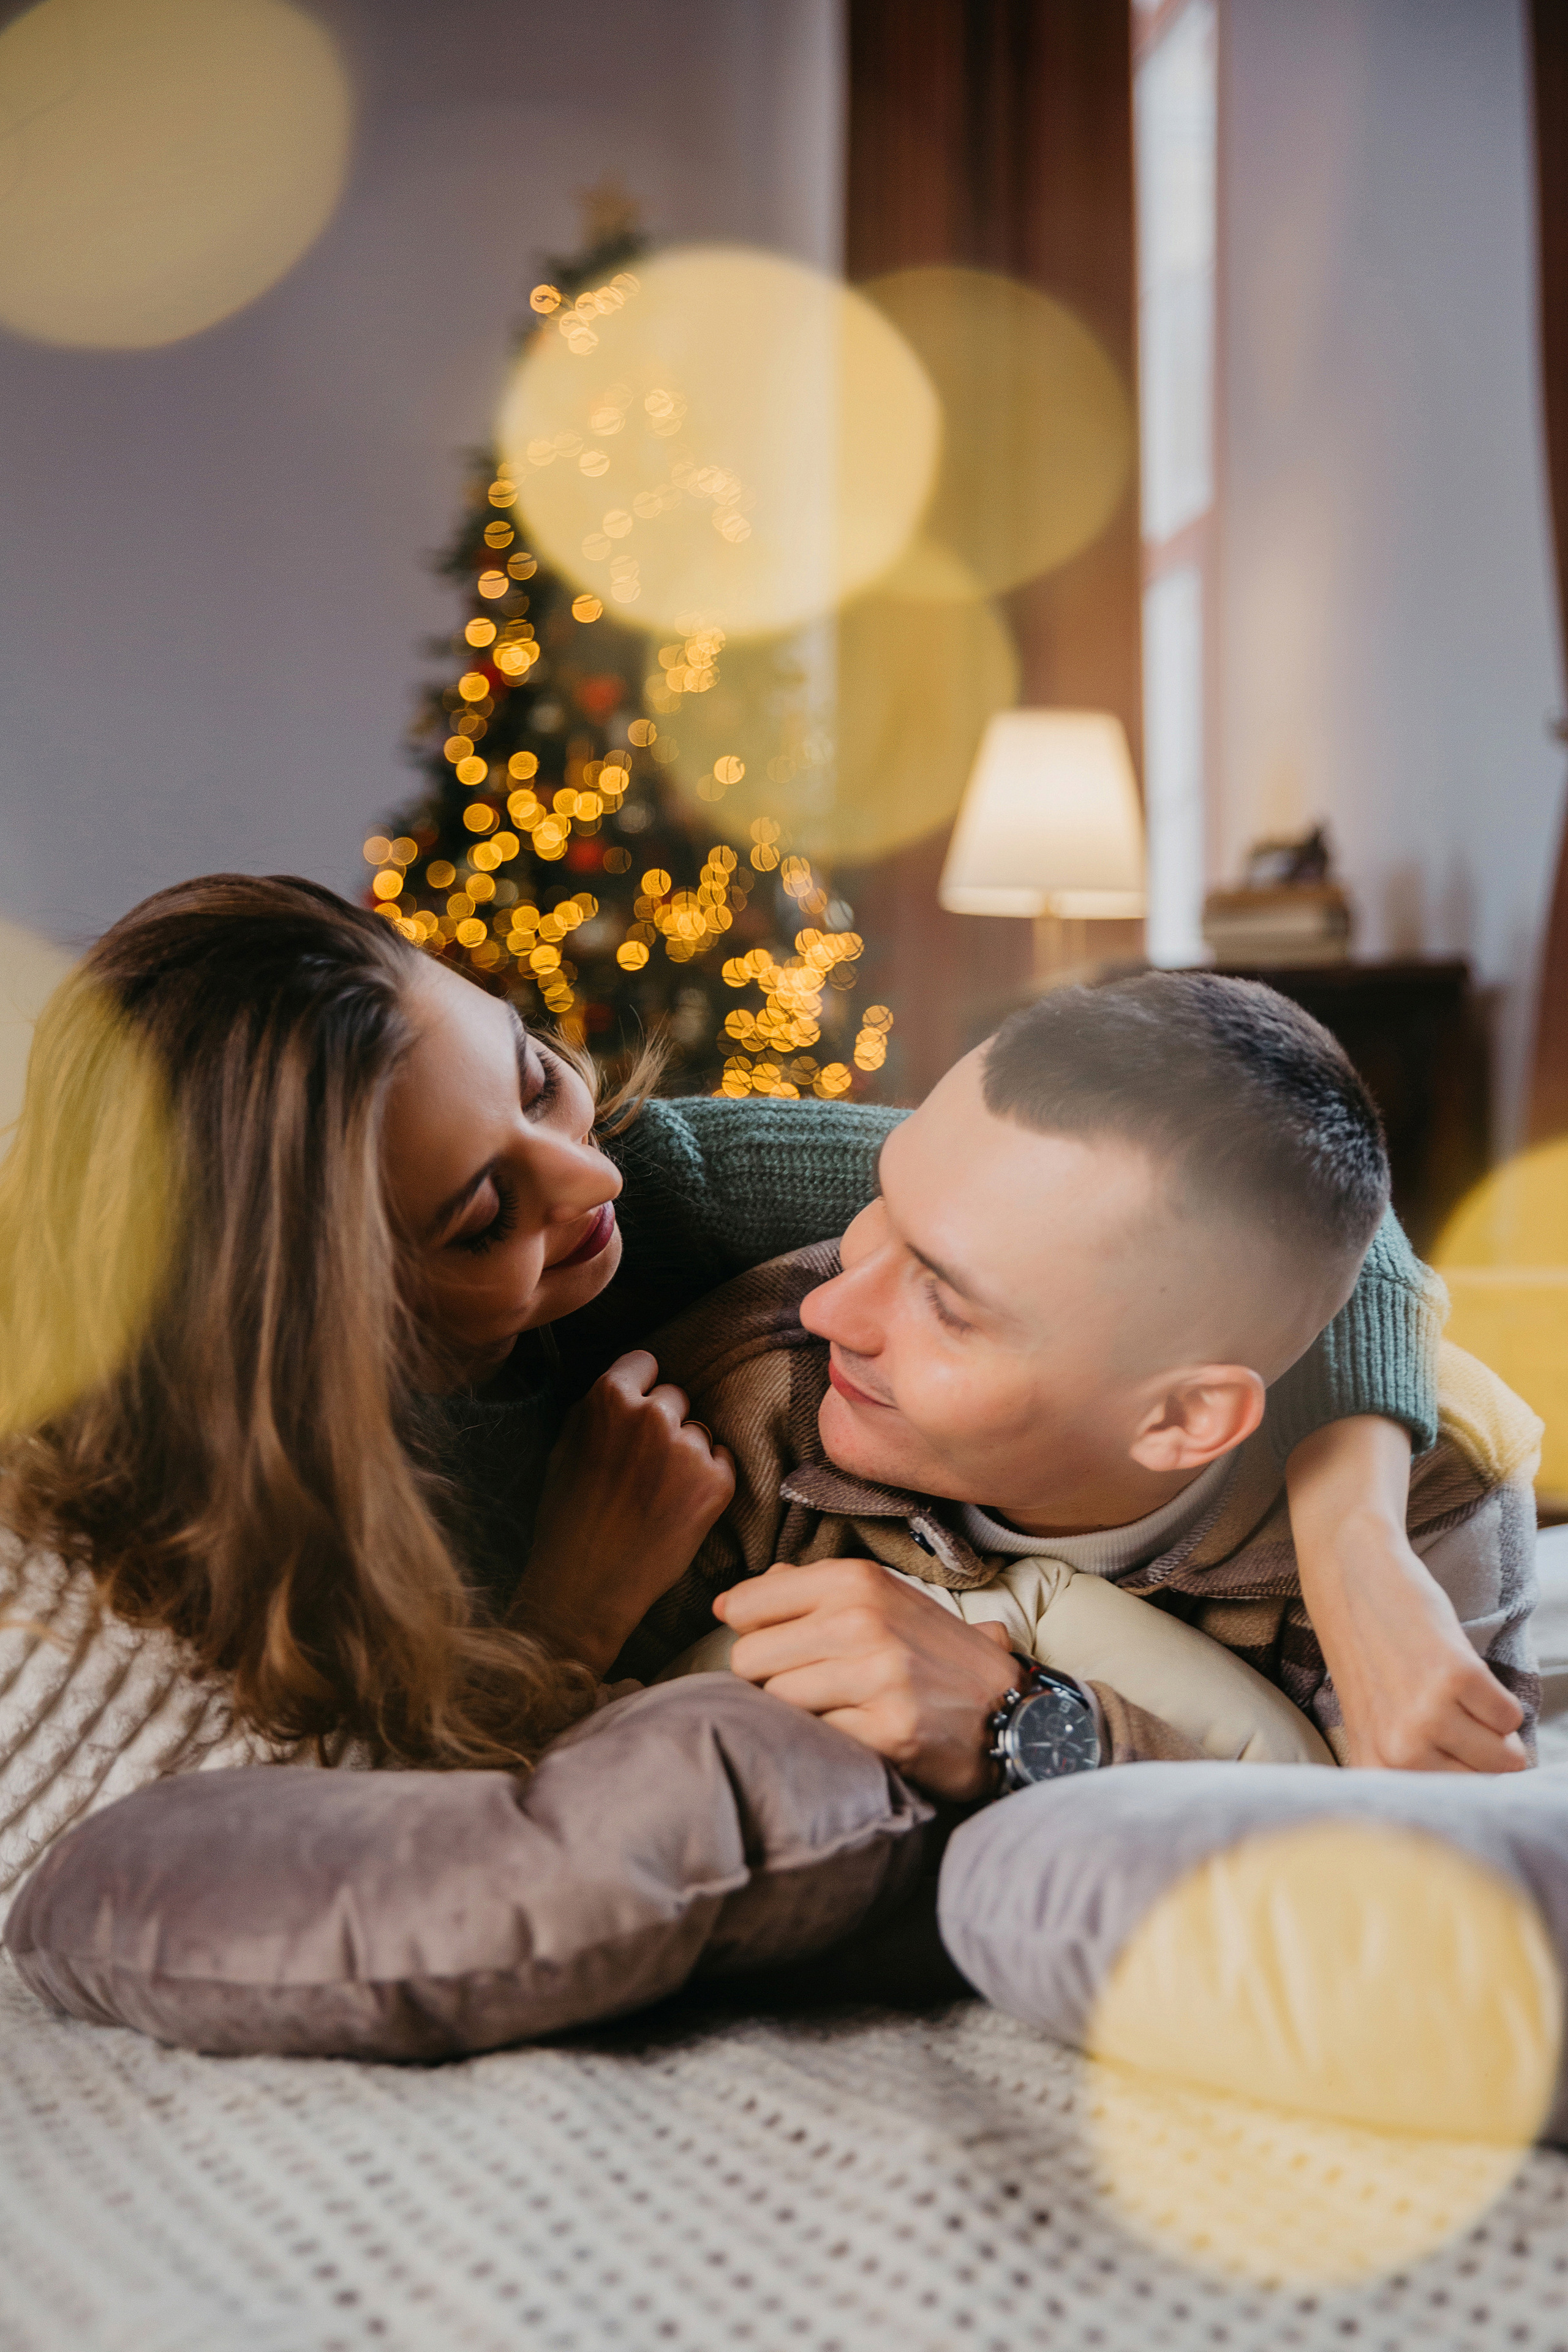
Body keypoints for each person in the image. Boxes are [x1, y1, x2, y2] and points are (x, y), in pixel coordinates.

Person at [0, 877, 1450, 1783]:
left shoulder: (680, 1176)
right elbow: (394, 1809)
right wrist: (575, 1604)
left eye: (531, 1076)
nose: (589, 1175)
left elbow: (1296, 1190)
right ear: (328, 1333)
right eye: (479, 1213)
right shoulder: (230, 1520)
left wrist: (1360, 1558)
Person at [623, 976, 1539, 1800]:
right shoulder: (746, 1387)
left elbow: (1403, 1894)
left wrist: (1030, 1726)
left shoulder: (1435, 1494)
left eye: (947, 1303)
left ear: (1185, 1418)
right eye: (880, 1203)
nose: (829, 1307)